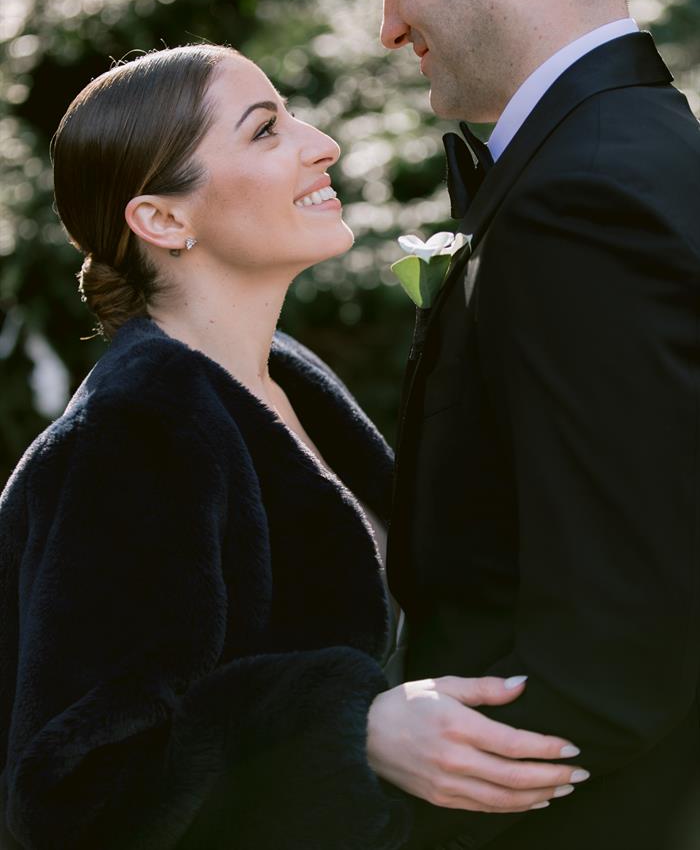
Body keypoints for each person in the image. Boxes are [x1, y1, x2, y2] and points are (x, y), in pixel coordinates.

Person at [0, 44, 586, 850]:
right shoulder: (133, 436)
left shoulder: (288, 380)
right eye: (266, 130)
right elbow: (77, 793)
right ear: (164, 218)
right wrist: (348, 727)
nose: (322, 143)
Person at [351, 0, 700, 848]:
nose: (388, 27)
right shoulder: (632, 151)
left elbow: (626, 637)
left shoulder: (578, 199)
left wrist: (398, 787)